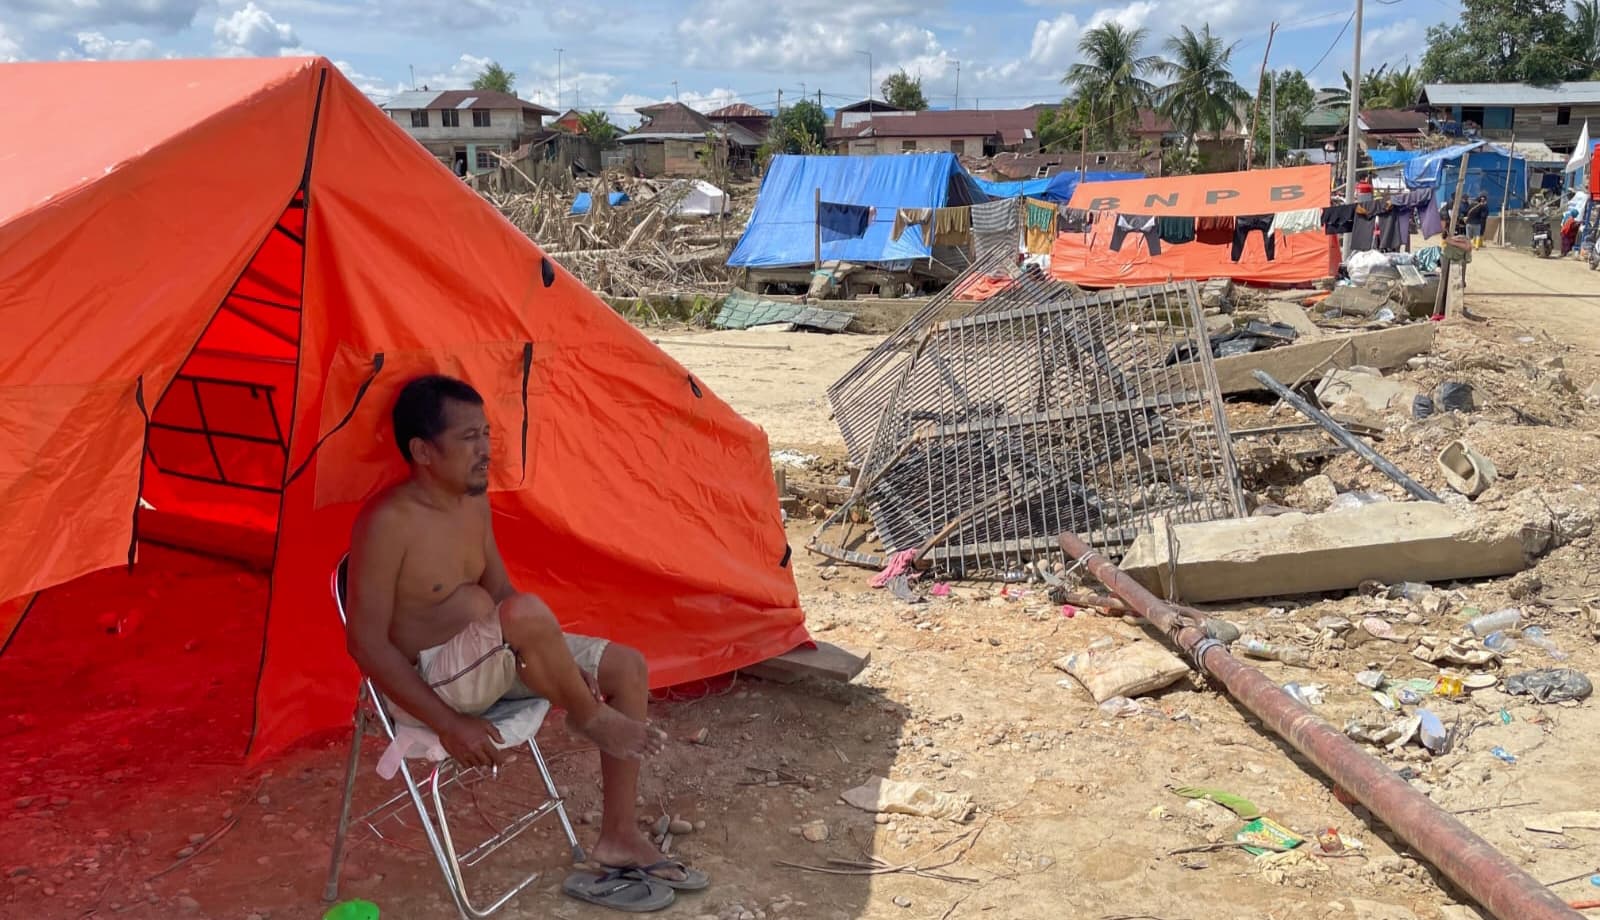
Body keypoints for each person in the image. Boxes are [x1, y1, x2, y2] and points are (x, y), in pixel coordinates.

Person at [344, 374, 707, 895]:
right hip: (436, 683)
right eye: (468, 438)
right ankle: (589, 717)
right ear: (423, 450)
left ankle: (619, 836)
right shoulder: (388, 522)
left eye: (486, 434)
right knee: (528, 613)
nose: (484, 450)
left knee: (626, 666)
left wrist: (553, 661)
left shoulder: (473, 502)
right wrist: (447, 724)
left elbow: (498, 594)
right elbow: (365, 644)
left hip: (491, 661)